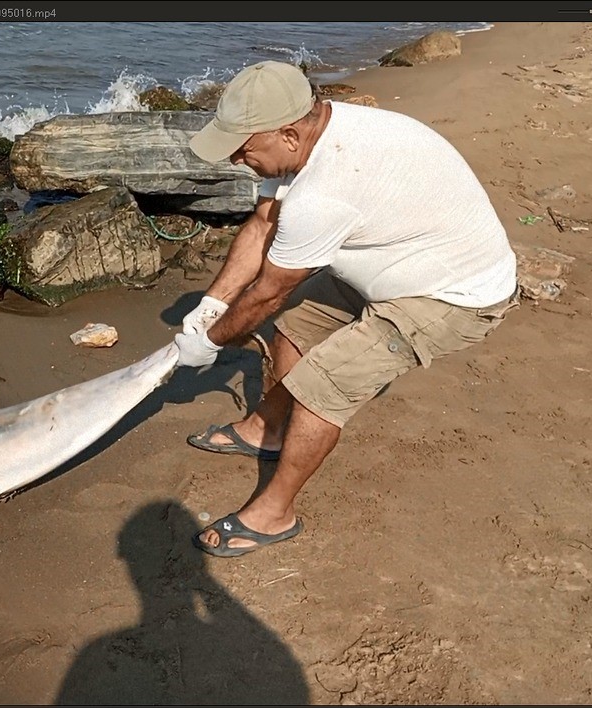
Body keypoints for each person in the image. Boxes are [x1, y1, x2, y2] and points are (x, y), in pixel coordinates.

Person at [174, 61, 518, 558]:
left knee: (323, 386)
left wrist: (209, 342)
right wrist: (212, 306)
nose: (233, 160)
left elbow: (270, 289)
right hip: (395, 258)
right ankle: (267, 430)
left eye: (242, 149)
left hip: (454, 294)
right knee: (293, 331)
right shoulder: (317, 135)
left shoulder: (323, 194)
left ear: (289, 135)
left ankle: (275, 514)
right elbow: (262, 225)